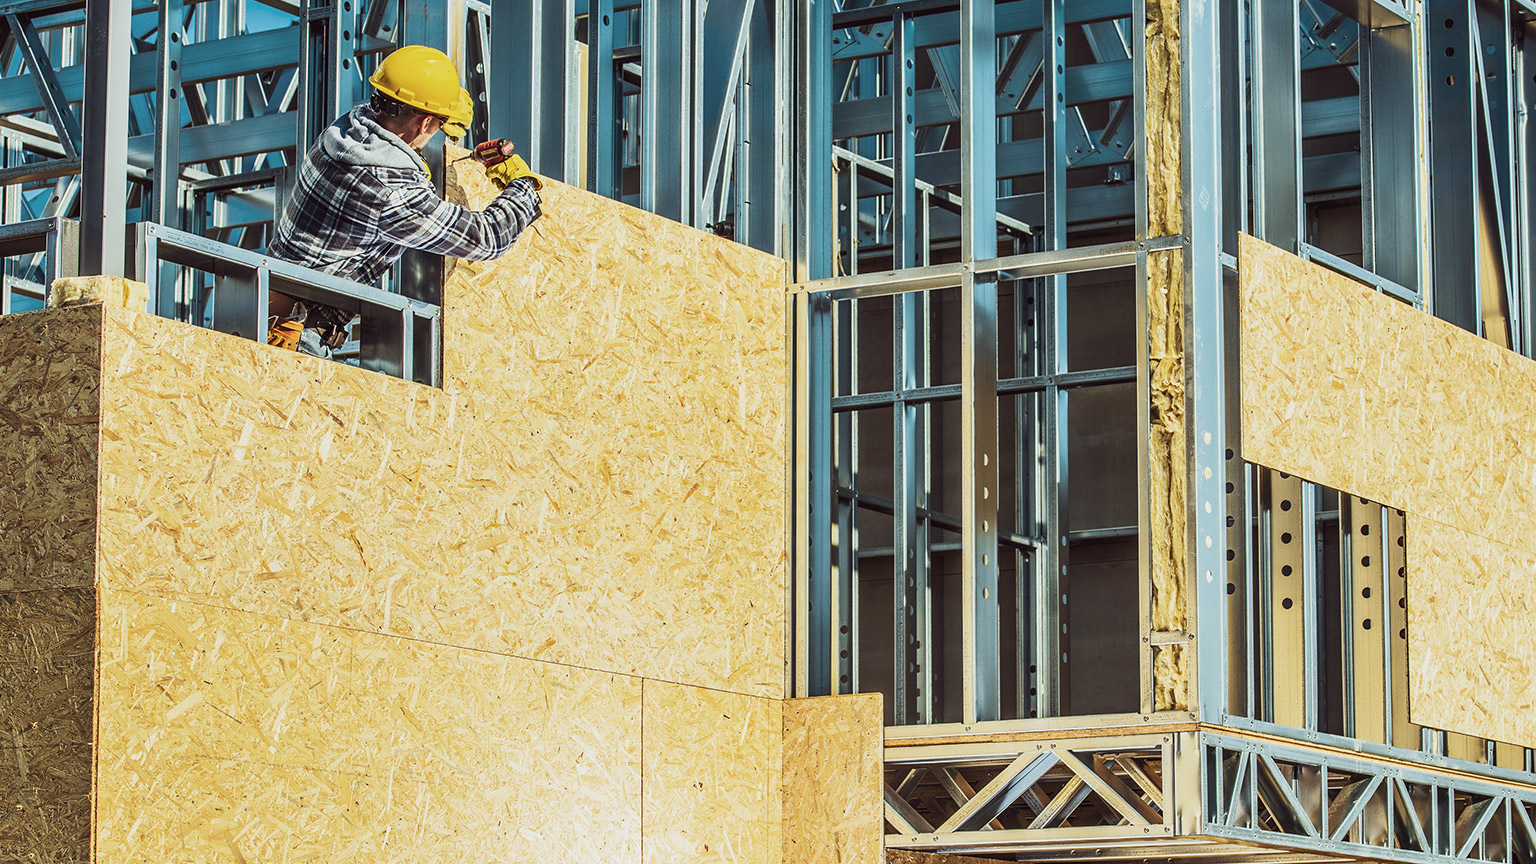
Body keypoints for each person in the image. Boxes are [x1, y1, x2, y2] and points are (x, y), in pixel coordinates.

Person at [266, 45, 542, 357]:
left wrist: (442, 109)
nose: (439, 133)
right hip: (297, 335)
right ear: (425, 124)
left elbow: (398, 147)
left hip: (269, 310)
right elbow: (487, 238)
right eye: (439, 126)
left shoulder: (347, 128)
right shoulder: (389, 190)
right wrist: (523, 187)